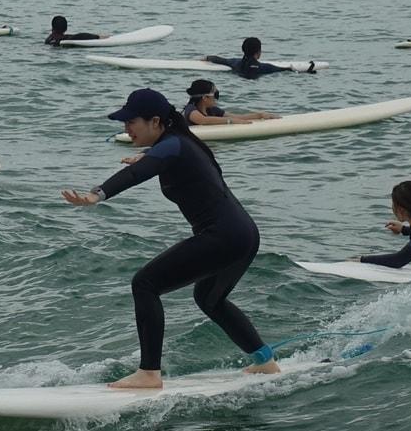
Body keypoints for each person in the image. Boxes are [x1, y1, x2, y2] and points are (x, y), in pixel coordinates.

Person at [61, 88, 279, 390]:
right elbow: (163, 160)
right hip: (244, 234)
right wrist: (151, 155)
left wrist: (97, 194)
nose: (126, 129)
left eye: (131, 123)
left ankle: (149, 373)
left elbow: (139, 174)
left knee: (145, 284)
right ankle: (265, 360)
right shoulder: (181, 144)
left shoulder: (172, 145)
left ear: (155, 121)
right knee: (209, 299)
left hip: (224, 235)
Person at [205, 37, 314, 79]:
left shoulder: (235, 62)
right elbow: (287, 70)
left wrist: (207, 58)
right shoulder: (265, 67)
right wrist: (309, 70)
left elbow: (219, 59)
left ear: (243, 50)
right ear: (259, 52)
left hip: (239, 76)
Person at [183, 79, 279, 125]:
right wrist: (230, 121)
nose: (216, 98)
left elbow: (237, 117)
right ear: (204, 98)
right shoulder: (191, 110)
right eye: (215, 95)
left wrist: (260, 115)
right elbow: (203, 120)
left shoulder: (212, 110)